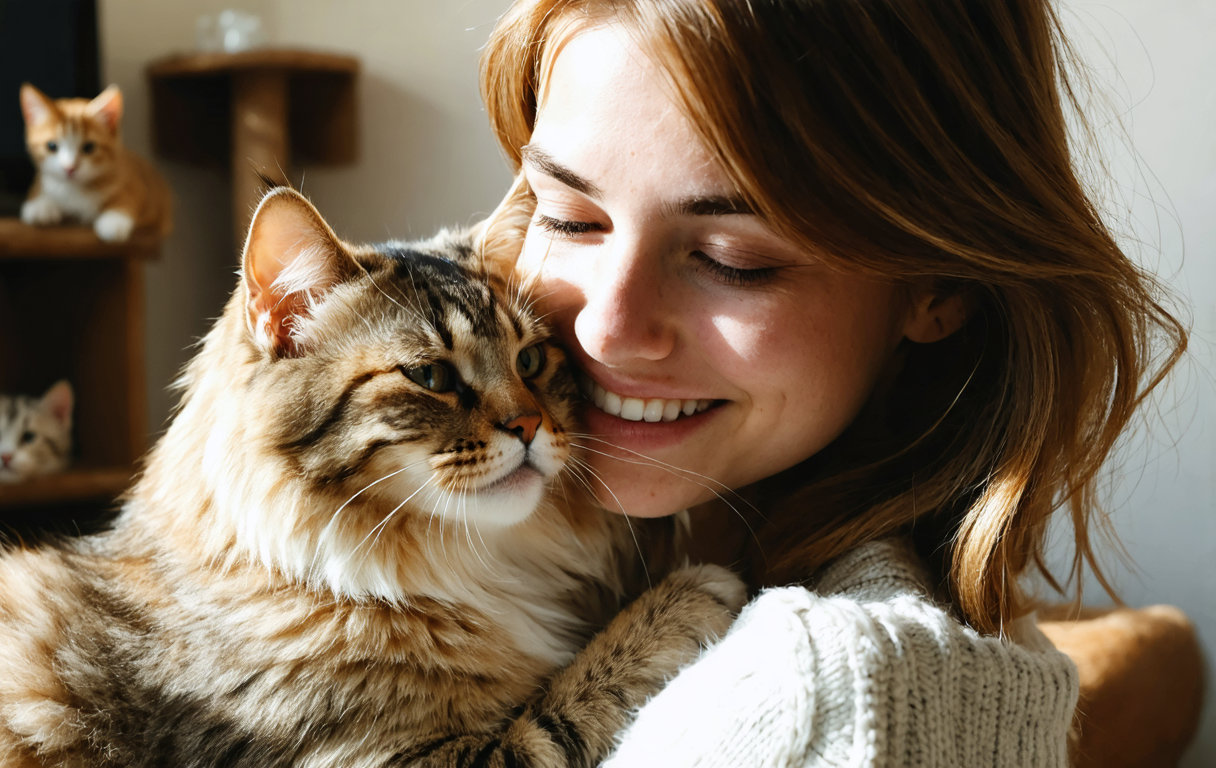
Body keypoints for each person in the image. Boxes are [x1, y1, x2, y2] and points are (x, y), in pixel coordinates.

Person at [476, 0, 1187, 765]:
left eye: (731, 260)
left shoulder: (826, 700)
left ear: (940, 287)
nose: (605, 329)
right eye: (566, 217)